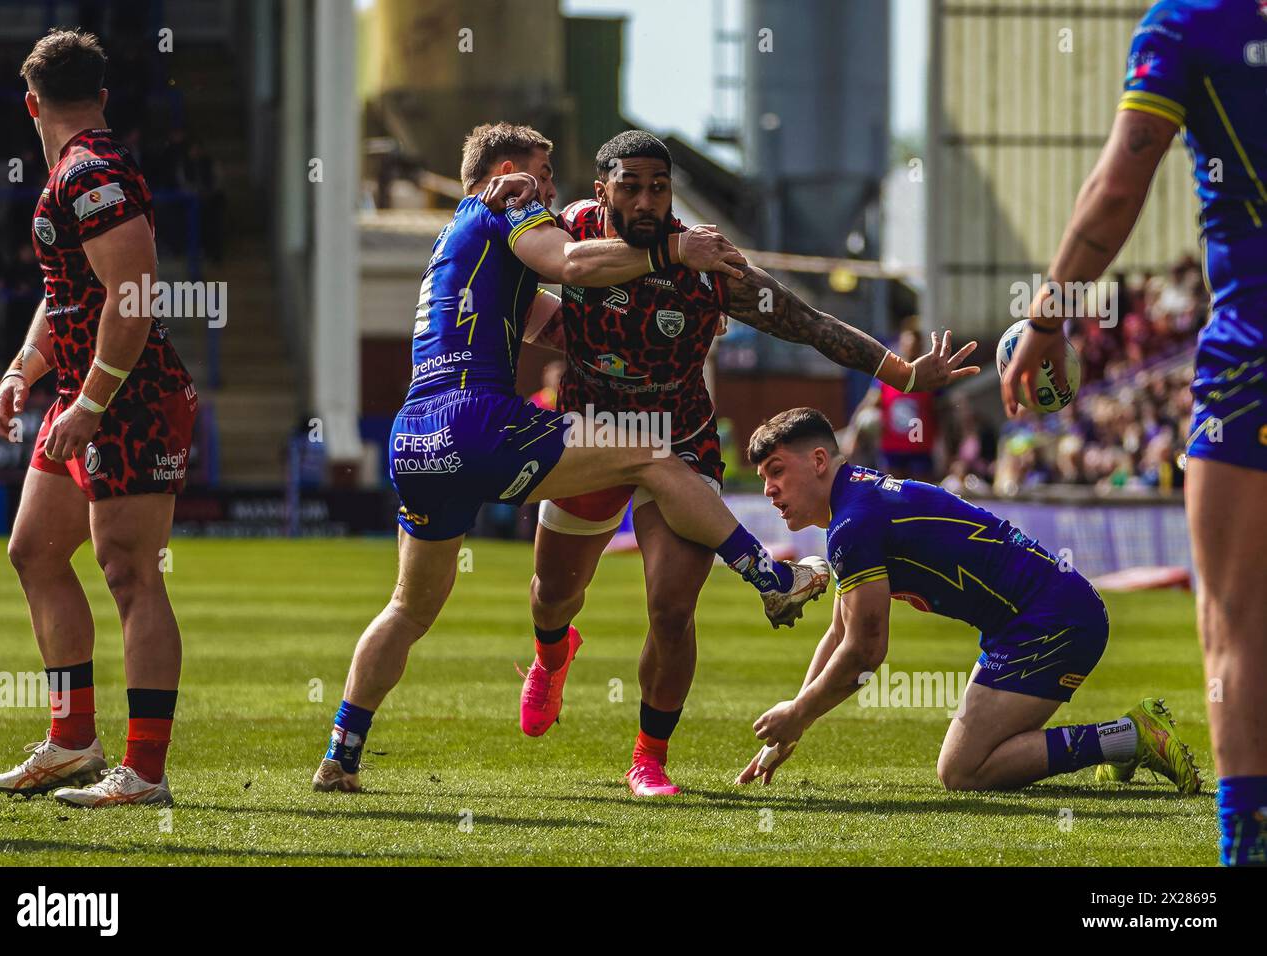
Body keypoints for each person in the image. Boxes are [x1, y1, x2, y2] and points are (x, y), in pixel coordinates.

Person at [311, 123, 831, 792]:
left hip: (415, 436)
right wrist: (674, 253)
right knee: (653, 456)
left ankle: (340, 755)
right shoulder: (508, 206)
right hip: (477, 422)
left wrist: (630, 324)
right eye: (542, 177)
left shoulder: (454, 237)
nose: (550, 195)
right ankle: (770, 578)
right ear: (505, 171)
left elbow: (540, 315)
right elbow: (576, 264)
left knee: (409, 609)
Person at [517, 130, 980, 796]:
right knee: (553, 594)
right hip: (592, 436)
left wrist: (902, 373)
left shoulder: (705, 263)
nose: (647, 200)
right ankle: (551, 656)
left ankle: (649, 758)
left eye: (659, 187)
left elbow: (806, 321)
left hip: (679, 444)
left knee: (672, 609)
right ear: (601, 192)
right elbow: (507, 290)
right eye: (630, 187)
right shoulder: (568, 239)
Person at [998, 0, 1267, 865]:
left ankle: (1245, 846)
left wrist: (1048, 315)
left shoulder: (1190, 21)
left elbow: (1117, 189)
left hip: (1253, 351)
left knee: (1236, 618)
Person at [735, 408, 1200, 797]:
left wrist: (798, 714)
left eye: (776, 470)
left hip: (1052, 621)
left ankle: (1129, 737)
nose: (768, 490)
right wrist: (793, 723)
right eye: (763, 478)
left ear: (818, 460)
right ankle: (1121, 744)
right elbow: (839, 632)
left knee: (963, 772)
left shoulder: (852, 524)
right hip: (1033, 619)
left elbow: (864, 652)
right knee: (966, 763)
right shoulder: (854, 504)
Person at [0, 29, 197, 808]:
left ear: (30, 101)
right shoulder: (80, 170)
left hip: (127, 397)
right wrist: (24, 368)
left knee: (129, 572)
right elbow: (67, 288)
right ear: (99, 98)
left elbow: (131, 294)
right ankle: (73, 744)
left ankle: (143, 772)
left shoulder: (94, 170)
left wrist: (92, 400)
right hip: (84, 391)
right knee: (35, 552)